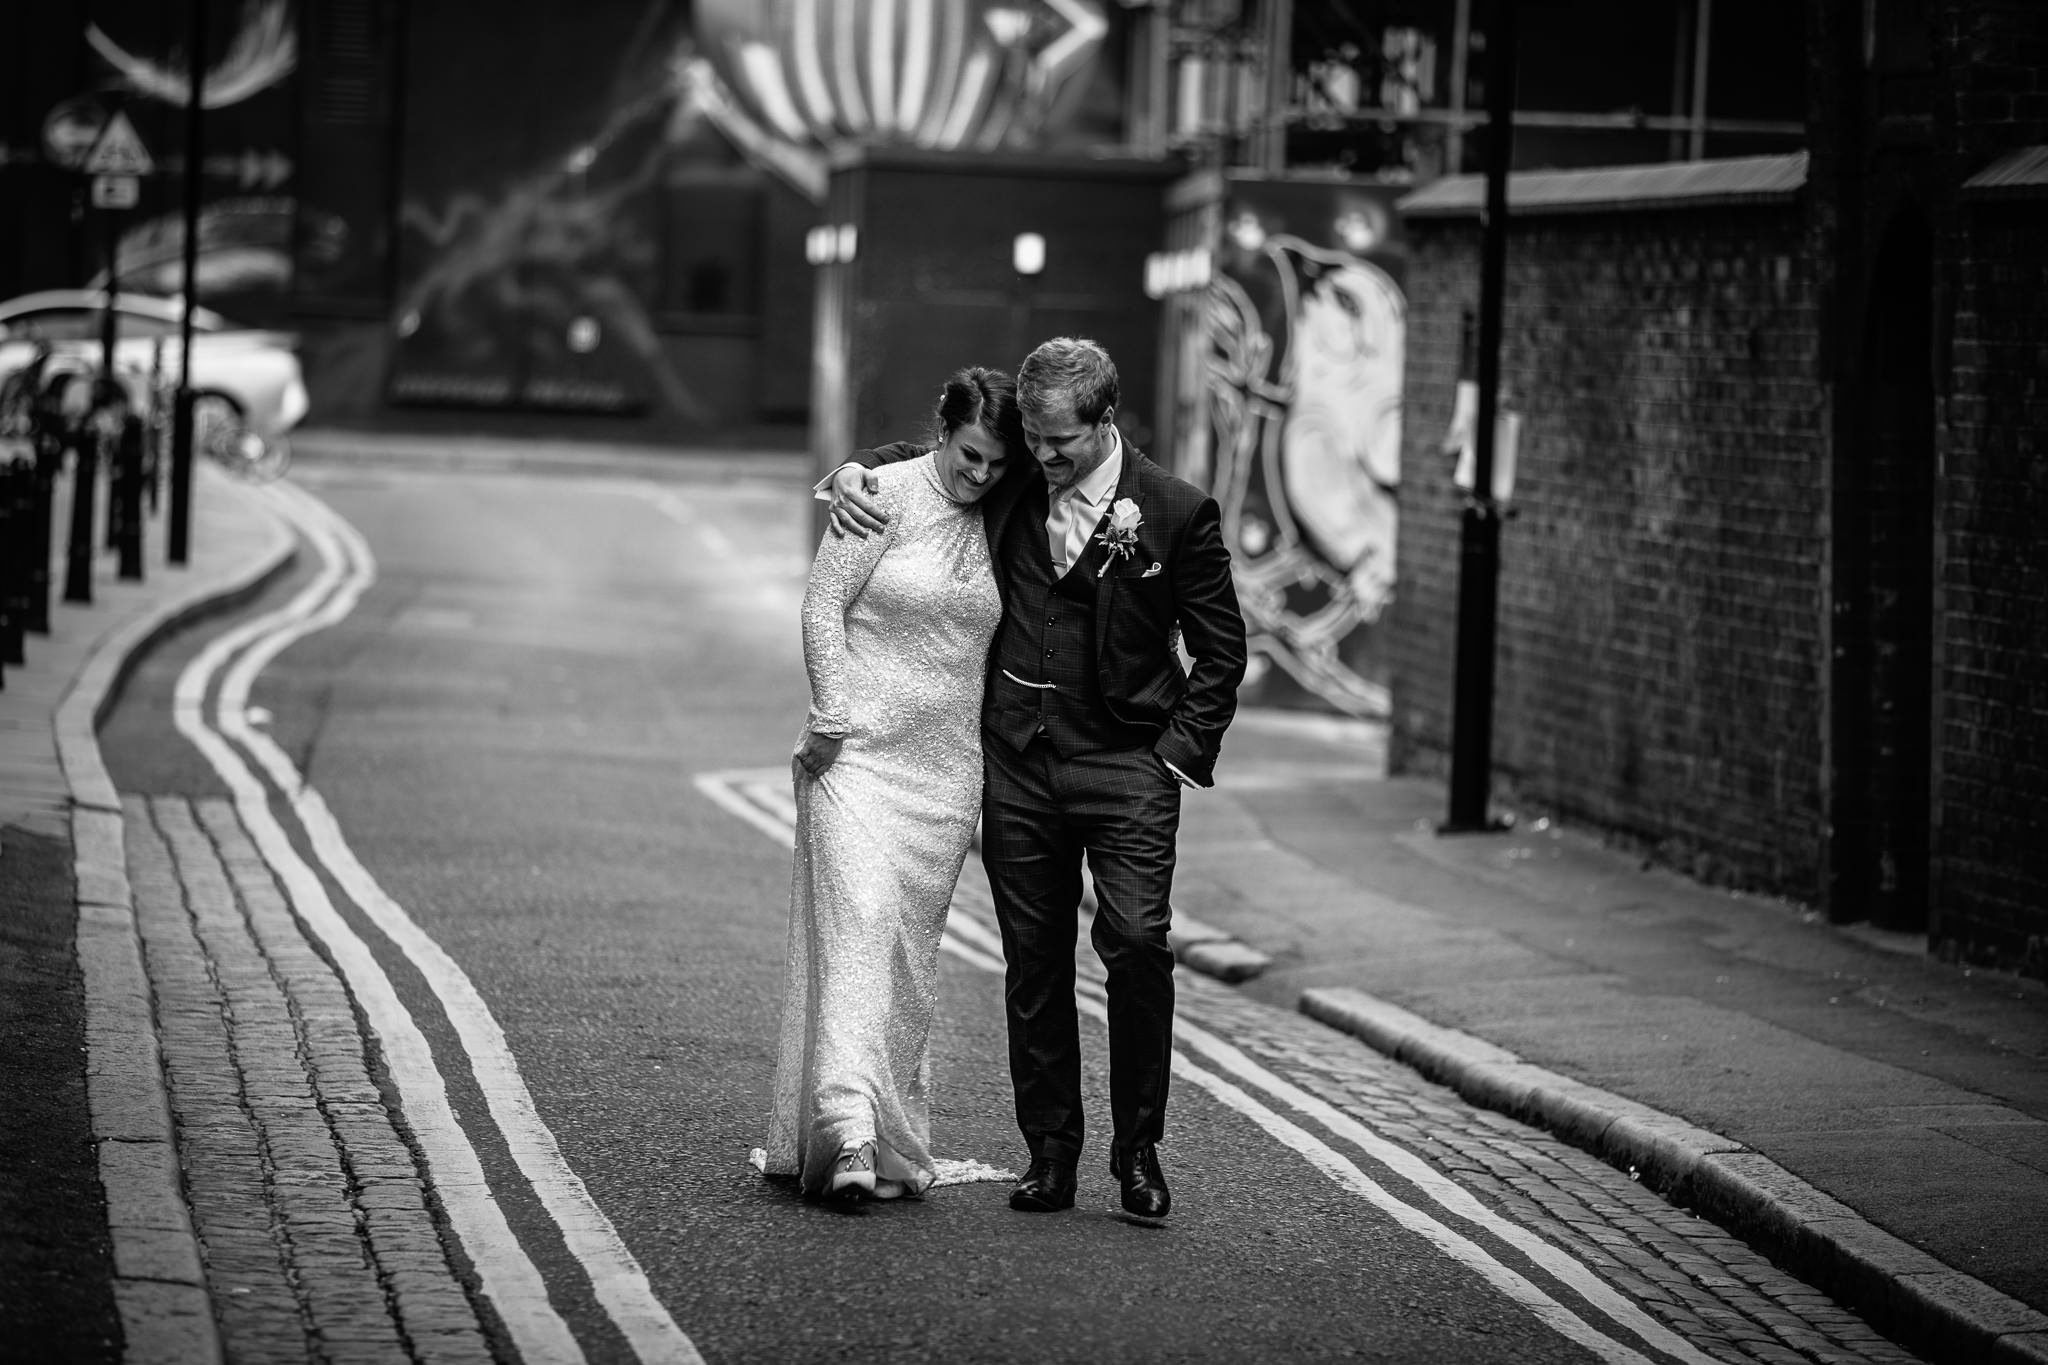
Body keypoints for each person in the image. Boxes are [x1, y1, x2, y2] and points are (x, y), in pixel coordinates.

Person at [824, 337, 1248, 1218]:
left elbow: (1222, 651)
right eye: (1031, 438)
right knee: (1035, 960)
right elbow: (926, 461)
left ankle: (1139, 1152)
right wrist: (853, 472)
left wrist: (1178, 750)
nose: (1039, 458)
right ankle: (1051, 1151)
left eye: (1058, 442)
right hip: (1017, 762)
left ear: (1106, 420)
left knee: (1135, 941)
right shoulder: (1016, 472)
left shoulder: (1174, 511)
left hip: (1129, 762)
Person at [763, 367, 1021, 1201]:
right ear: (942, 432)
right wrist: (831, 715)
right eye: (969, 456)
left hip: (946, 779)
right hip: (857, 760)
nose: (979, 475)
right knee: (862, 924)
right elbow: (820, 605)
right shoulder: (878, 494)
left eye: (995, 463)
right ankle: (846, 1134)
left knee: (905, 962)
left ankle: (888, 1126)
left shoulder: (1007, 513)